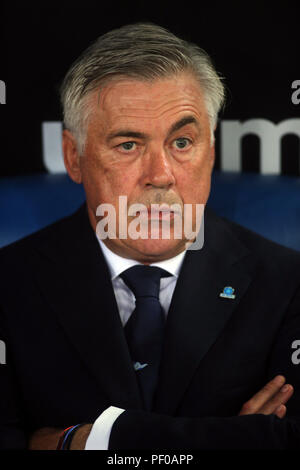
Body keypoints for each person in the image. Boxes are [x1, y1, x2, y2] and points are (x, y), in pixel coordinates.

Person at [1, 22, 300, 450]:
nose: (160, 175)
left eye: (182, 141)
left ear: (211, 151)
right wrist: (236, 438)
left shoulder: (289, 285)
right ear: (74, 157)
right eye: (128, 145)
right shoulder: (8, 285)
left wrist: (84, 441)